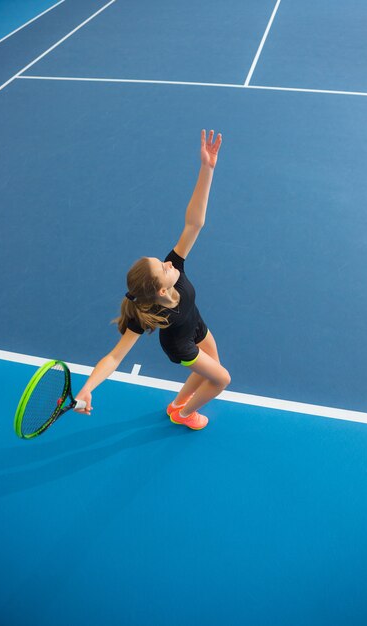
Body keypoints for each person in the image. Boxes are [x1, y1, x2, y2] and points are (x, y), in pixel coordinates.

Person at [74, 130, 231, 430]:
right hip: (181, 344)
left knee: (212, 367)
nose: (169, 262)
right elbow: (114, 357)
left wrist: (207, 169)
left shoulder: (175, 270)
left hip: (195, 322)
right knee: (221, 378)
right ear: (161, 288)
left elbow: (194, 223)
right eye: (162, 266)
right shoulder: (147, 315)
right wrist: (88, 387)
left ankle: (177, 405)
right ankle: (184, 415)